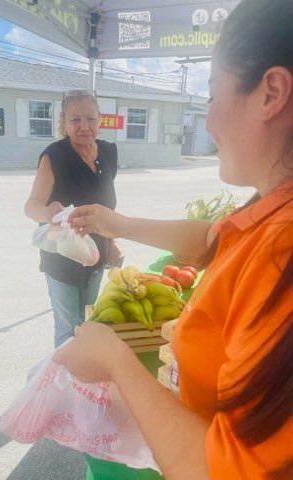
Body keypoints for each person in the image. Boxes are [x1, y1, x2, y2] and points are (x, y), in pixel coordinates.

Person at [53, 1, 293, 479]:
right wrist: (117, 224)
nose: (206, 124)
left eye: (211, 97)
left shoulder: (281, 252)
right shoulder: (271, 209)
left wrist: (117, 362)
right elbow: (210, 238)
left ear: (271, 92)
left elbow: (224, 470)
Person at [24, 90, 120, 348]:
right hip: (62, 257)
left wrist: (111, 241)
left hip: (95, 255)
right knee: (68, 329)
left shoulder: (109, 153)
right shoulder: (54, 157)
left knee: (88, 323)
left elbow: (106, 206)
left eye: (90, 118)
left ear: (99, 120)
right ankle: (63, 384)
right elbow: (30, 205)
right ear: (63, 122)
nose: (84, 126)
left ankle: (81, 384)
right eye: (75, 120)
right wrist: (46, 213)